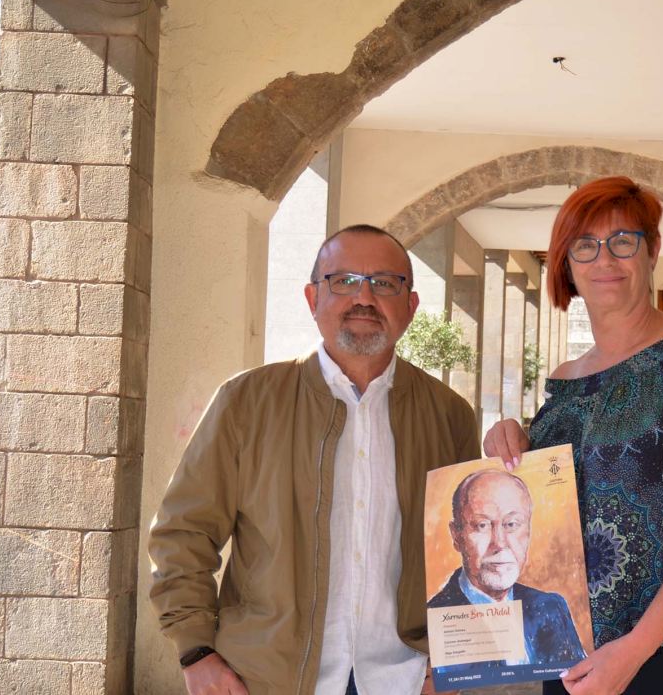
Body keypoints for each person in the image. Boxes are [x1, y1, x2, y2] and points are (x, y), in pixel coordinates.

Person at [149, 224, 480, 695]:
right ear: (312, 298)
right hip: (268, 679)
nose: (363, 297)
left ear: (410, 306)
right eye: (343, 281)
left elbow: (463, 554)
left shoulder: (448, 415)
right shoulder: (247, 402)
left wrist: (451, 661)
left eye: (385, 283)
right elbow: (184, 532)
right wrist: (196, 650)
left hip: (405, 679)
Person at [484, 177, 663, 695]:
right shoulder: (565, 384)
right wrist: (513, 441)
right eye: (585, 245)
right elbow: (545, 510)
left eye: (623, 241)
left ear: (652, 250)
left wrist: (634, 649)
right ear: (567, 263)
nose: (604, 259)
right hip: (570, 646)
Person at [428, 469, 586, 667]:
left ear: (528, 530)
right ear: (456, 536)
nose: (499, 543)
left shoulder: (551, 607)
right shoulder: (435, 618)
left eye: (511, 524)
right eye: (482, 525)